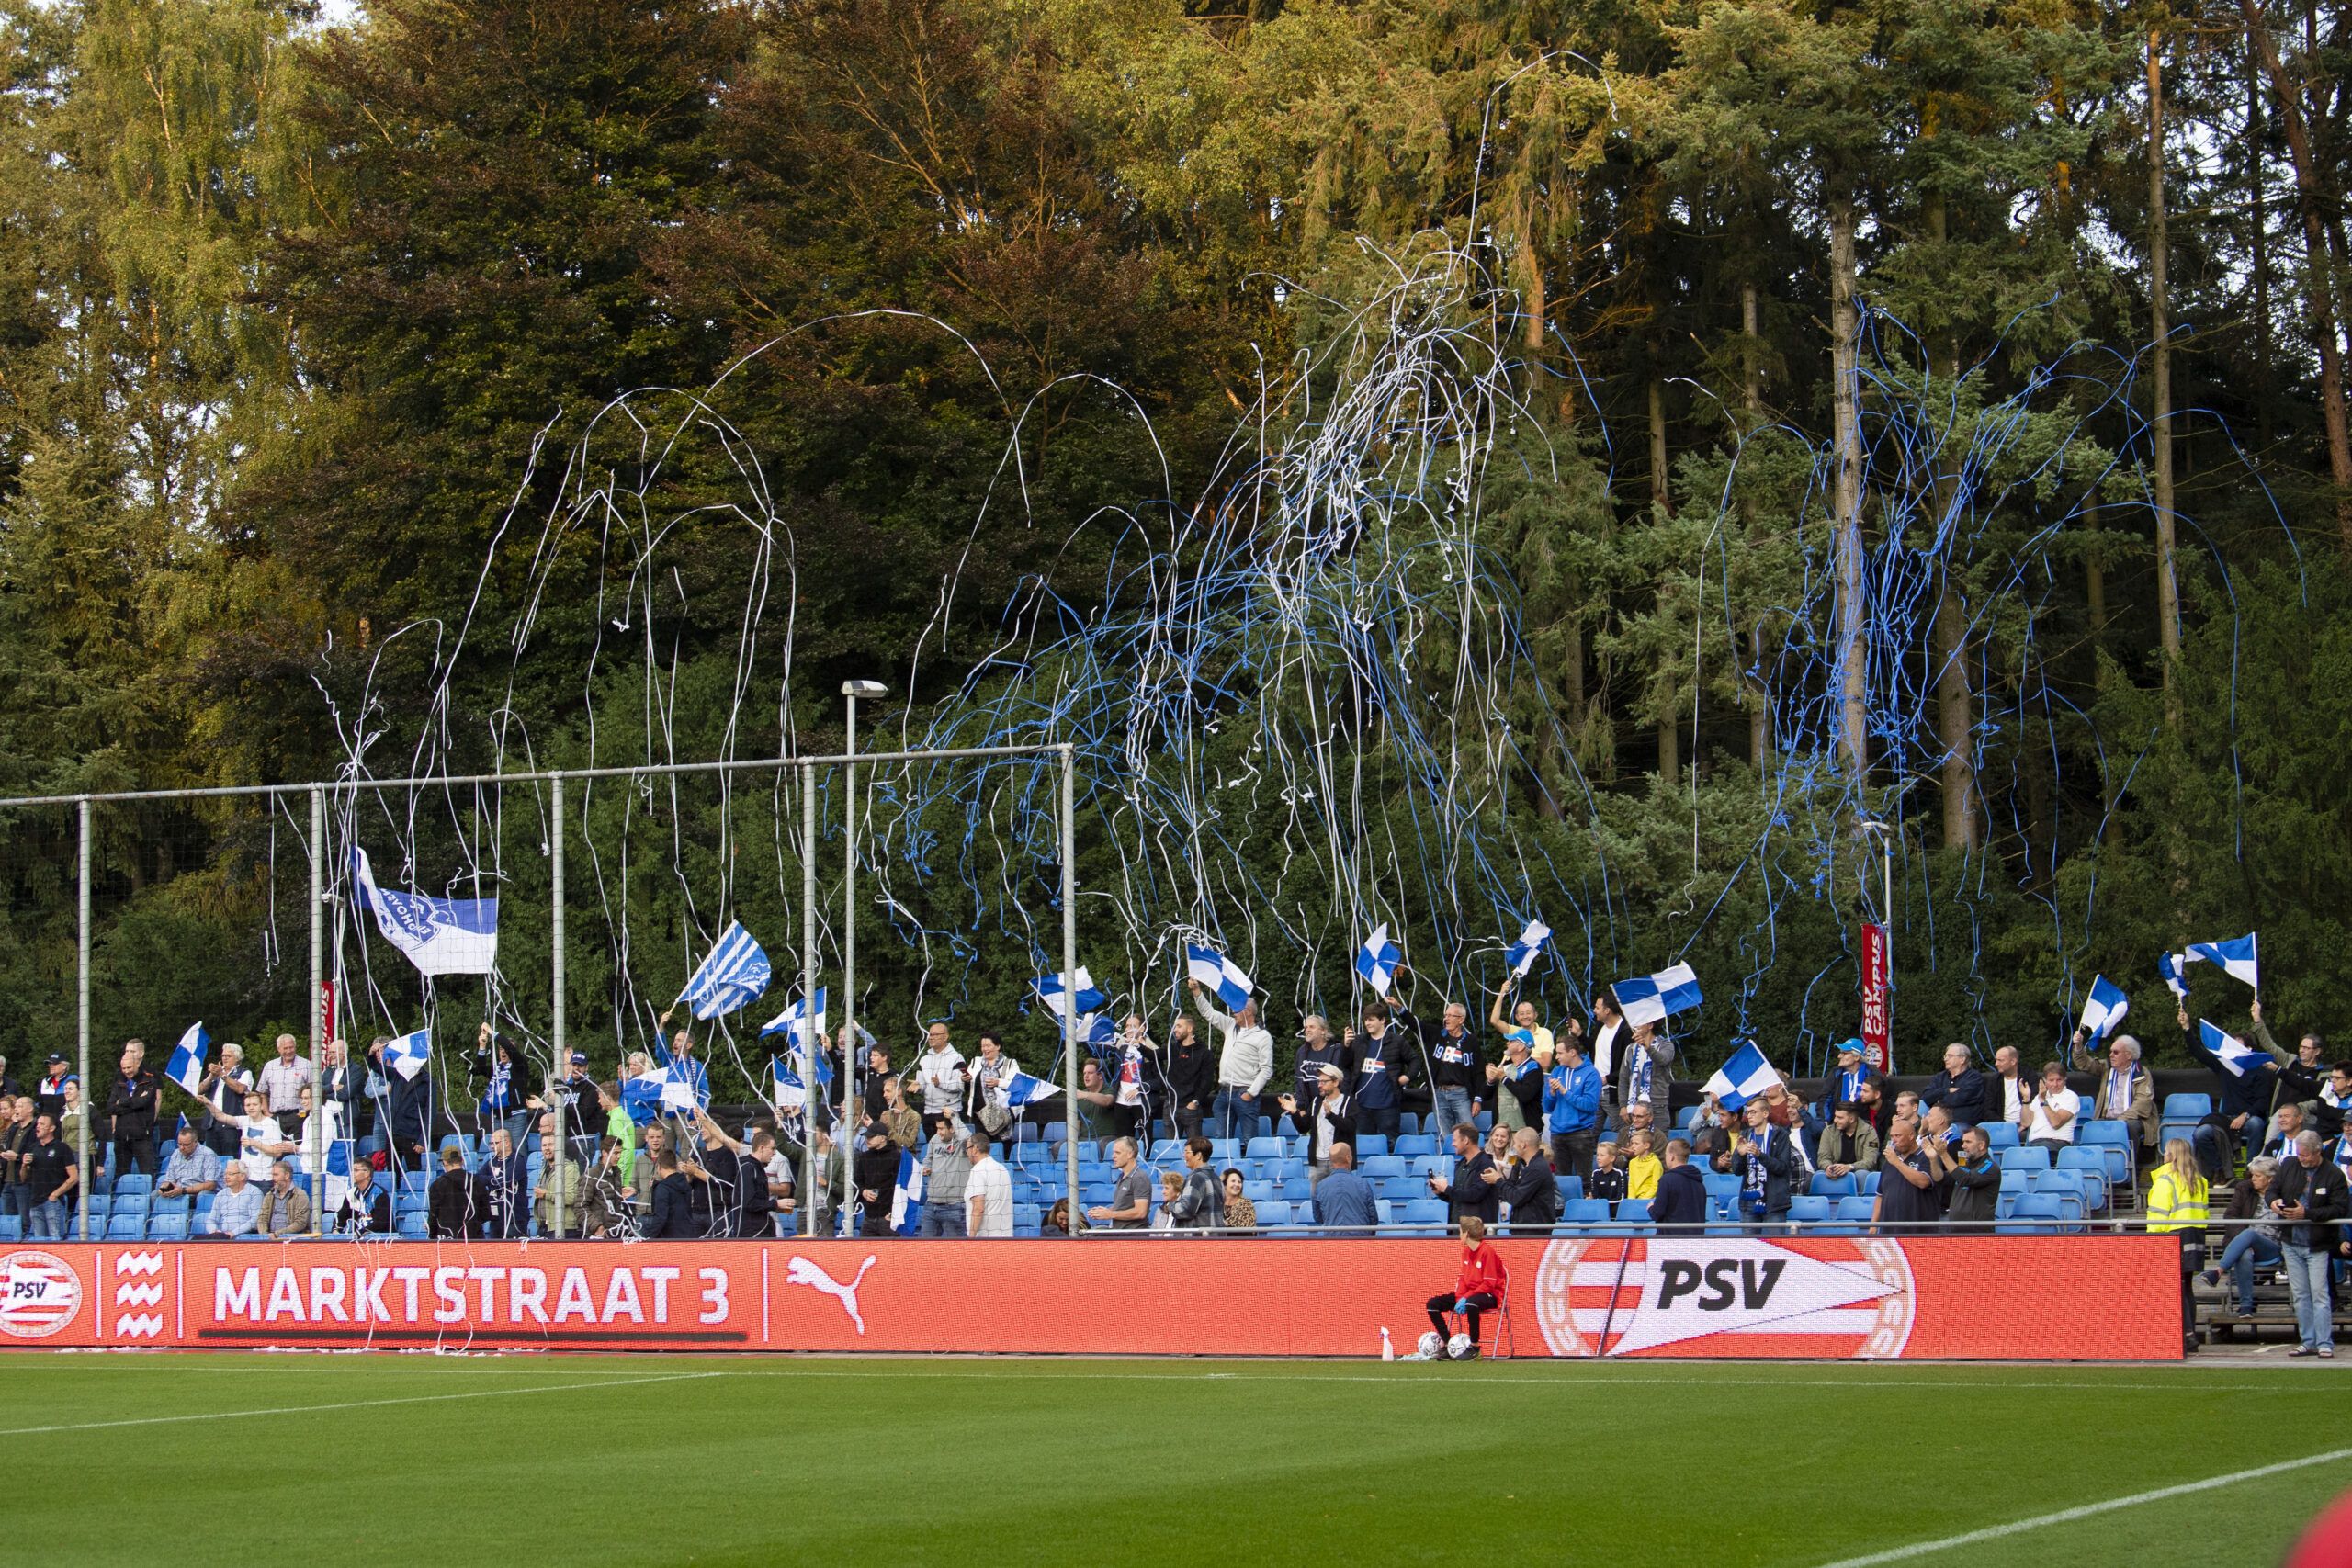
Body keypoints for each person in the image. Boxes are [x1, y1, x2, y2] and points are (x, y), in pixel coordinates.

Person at [2271, 1130, 2348, 1358]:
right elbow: (2274, 1189)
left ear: (2318, 1152)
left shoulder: (2333, 1174)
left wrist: (2309, 1213)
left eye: (2305, 1155)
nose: (2302, 1158)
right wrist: (2273, 1201)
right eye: (2299, 1154)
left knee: (2319, 1293)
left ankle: (2325, 1342)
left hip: (2318, 1243)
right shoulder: (2289, 1165)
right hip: (2291, 1240)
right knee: (2301, 1293)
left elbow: (2339, 1208)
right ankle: (2307, 1340)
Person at [2179, 1003, 2277, 1179]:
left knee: (2256, 1124)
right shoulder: (2224, 1066)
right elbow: (2198, 1052)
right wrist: (2187, 1028)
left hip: (2248, 1119)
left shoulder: (2260, 1072)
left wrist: (2245, 1115)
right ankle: (2220, 1171)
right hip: (2225, 1120)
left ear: (2249, 1049)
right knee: (2201, 1133)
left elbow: (2262, 1102)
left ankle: (2251, 1171)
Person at [2145, 1137, 2210, 1356]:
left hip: (2173, 1236)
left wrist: (2152, 1241)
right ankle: (2190, 1333)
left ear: (2170, 1155)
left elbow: (2158, 1215)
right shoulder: (2200, 1180)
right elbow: (2206, 1212)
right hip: (2196, 1234)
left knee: (2176, 1288)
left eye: (2165, 1152)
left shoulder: (2166, 1180)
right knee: (2187, 1287)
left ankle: (2187, 1334)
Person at [1191, 979, 1274, 1140]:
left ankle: (1251, 1165)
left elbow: (1266, 1069)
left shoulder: (1263, 1036)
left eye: (1237, 1009)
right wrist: (1197, 992)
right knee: (1222, 1139)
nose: (1233, 1012)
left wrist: (1251, 1093)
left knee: (1250, 1139)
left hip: (1245, 1092)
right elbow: (1209, 1013)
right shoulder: (1230, 1026)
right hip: (1224, 1092)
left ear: (1248, 1012)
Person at [2208, 1156, 2287, 1318]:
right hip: (2246, 1245)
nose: (2253, 1179)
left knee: (2250, 1233)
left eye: (2258, 1176)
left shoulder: (2284, 1193)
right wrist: (2244, 1242)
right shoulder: (2245, 1189)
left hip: (2273, 1247)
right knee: (2244, 1253)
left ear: (2270, 1179)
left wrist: (2247, 1238)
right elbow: (2230, 1217)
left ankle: (2218, 1270)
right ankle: (2246, 1307)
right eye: (2252, 1175)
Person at [1420, 1215, 1507, 1360]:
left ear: (1466, 1234)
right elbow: (1463, 1279)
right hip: (1468, 1295)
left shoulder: (1487, 1252)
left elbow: (1488, 1284)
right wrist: (1460, 1297)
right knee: (1432, 1304)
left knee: (1472, 1303)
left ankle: (1475, 1347)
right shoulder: (1466, 1252)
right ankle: (1448, 1343)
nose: (1459, 1235)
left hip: (1489, 1295)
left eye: (1460, 1232)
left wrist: (1466, 1298)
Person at [1402, 998, 1483, 1138]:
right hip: (1439, 1093)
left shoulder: (1471, 1041)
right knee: (1445, 1134)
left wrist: (1477, 1099)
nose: (1446, 1018)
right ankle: (1450, 1159)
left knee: (1468, 1132)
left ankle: (1472, 1159)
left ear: (1461, 1019)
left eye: (1451, 1015)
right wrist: (1400, 1009)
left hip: (1461, 1093)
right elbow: (1416, 1025)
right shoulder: (1436, 1035)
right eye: (1446, 1015)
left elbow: (1479, 1071)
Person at [1719, 1100, 1800, 1225]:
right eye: (1748, 1112)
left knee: (1775, 1244)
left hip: (1774, 1203)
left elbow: (1782, 1168)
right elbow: (1737, 1170)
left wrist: (1759, 1155)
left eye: (1753, 1112)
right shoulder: (1745, 1135)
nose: (1749, 1116)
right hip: (1749, 1202)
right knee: (1749, 1245)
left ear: (1765, 1113)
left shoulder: (1780, 1135)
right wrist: (1740, 1156)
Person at [1344, 1001, 1413, 1141]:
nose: (1367, 1023)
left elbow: (1415, 1060)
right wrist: (1346, 1046)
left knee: (1390, 1144)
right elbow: (1345, 1064)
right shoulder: (1359, 1041)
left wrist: (1407, 1076)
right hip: (1361, 1106)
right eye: (1365, 1020)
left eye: (1371, 1019)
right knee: (1364, 1146)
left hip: (1388, 1106)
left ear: (1382, 1020)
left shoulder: (1397, 1041)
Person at [1279, 1063, 1357, 1185]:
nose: (1320, 1085)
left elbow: (1350, 1127)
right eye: (1319, 1082)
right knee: (1316, 1199)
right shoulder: (1317, 1101)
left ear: (1336, 1082)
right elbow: (1304, 1128)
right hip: (1318, 1162)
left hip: (1339, 1162)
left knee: (1338, 1197)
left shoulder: (1348, 1102)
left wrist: (1330, 1115)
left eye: (1324, 1082)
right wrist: (1294, 1112)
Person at [1543, 1034, 1602, 1182]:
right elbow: (1548, 1106)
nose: (1557, 1057)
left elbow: (1590, 1105)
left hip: (1580, 1132)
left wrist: (1565, 1092)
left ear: (1572, 1052)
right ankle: (1563, 1206)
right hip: (1557, 1132)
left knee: (1584, 1180)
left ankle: (1584, 1205)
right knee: (1561, 1180)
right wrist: (1551, 1094)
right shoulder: (1557, 1071)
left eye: (1560, 1053)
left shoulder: (1591, 1073)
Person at [1148, 1013, 1216, 1141]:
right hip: (1170, 1107)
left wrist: (1195, 1102)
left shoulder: (1204, 1052)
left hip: (1191, 1108)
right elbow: (1153, 1055)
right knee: (1171, 1148)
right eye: (1175, 1026)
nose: (1175, 1030)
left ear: (1189, 1029)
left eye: (1179, 1026)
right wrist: (1139, 1045)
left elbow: (1206, 1081)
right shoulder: (1172, 1047)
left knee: (1195, 1147)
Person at [1872, 1116, 1944, 1234]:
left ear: (1911, 1136)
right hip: (1890, 1229)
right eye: (1891, 1136)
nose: (1894, 1140)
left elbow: (1923, 1182)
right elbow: (1880, 1195)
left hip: (1919, 1229)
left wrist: (1897, 1162)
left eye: (1898, 1136)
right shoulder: (1889, 1162)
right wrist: (1874, 1224)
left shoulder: (1926, 1156)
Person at [1426, 1122, 1498, 1231]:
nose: (1452, 1144)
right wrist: (1441, 1192)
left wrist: (1447, 1189)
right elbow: (1458, 1197)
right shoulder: (1460, 1164)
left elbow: (1475, 1195)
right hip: (1457, 1232)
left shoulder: (1486, 1165)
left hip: (1476, 1234)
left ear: (1465, 1140)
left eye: (1455, 1140)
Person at [1564, 990, 1626, 1116]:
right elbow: (1594, 1049)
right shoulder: (1600, 1025)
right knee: (1591, 1129)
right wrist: (1580, 1034)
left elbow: (1627, 1066)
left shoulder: (1625, 1031)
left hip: (1613, 1092)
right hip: (1595, 1090)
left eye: (1597, 1007)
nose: (1594, 1010)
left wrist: (1607, 1079)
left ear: (1607, 1010)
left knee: (1619, 1130)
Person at [104, 1041, 160, 1179]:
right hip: (121, 1138)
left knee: (148, 1174)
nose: (126, 1071)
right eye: (124, 1068)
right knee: (120, 1175)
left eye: (129, 1067)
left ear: (137, 1064)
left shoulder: (149, 1081)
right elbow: (110, 1108)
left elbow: (144, 1102)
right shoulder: (119, 1082)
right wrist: (131, 1102)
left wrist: (121, 1103)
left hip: (142, 1137)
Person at [1492, 1127, 1560, 1233]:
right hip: (1527, 1228)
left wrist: (1498, 1180)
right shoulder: (1531, 1165)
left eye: (1515, 1143)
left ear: (1523, 1145)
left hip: (1533, 1232)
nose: (1513, 1146)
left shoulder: (1536, 1168)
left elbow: (1516, 1197)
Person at [22, 1113, 75, 1240]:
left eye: (42, 1124)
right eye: (37, 1124)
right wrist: (24, 1165)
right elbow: (23, 1178)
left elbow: (74, 1177)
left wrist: (55, 1195)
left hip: (52, 1202)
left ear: (51, 1128)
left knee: (55, 1240)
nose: (37, 1127)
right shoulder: (33, 1148)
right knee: (39, 1242)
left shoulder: (62, 1148)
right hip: (35, 1202)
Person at [918, 1115, 972, 1238]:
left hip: (955, 1205)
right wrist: (926, 1167)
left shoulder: (962, 1143)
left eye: (941, 1129)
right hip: (931, 1204)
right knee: (925, 1248)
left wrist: (953, 1117)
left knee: (956, 1250)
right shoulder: (934, 1140)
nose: (938, 1132)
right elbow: (928, 1159)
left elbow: (968, 1137)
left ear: (952, 1128)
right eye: (937, 1128)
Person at [1617, 1020, 1676, 1128]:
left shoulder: (1665, 1045)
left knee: (1658, 1142)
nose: (1635, 1025)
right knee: (1635, 1142)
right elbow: (1623, 1079)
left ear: (1650, 1025)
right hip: (1634, 1106)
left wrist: (1648, 1047)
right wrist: (1623, 1105)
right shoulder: (1630, 1049)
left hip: (1657, 1105)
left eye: (1639, 1022)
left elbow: (1662, 1060)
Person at [963, 1031, 1020, 1143]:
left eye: (988, 1046)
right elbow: (968, 1083)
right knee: (982, 1146)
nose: (985, 1049)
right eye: (983, 1046)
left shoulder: (1010, 1063)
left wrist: (998, 1082)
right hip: (979, 1115)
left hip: (1001, 1115)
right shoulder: (976, 1061)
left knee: (1001, 1146)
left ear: (998, 1046)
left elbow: (1017, 1085)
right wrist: (964, 1080)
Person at [199, 1043, 254, 1159]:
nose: (224, 1058)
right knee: (211, 1159)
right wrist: (211, 1076)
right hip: (211, 1123)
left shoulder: (244, 1072)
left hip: (231, 1123)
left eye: (228, 1056)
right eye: (223, 1055)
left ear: (237, 1058)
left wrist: (222, 1075)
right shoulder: (216, 1074)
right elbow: (199, 1090)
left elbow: (240, 1089)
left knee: (230, 1158)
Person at [1485, 1029, 1544, 1134]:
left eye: (1511, 1041)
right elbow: (1486, 1096)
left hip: (1525, 1131)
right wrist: (1490, 1081)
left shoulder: (1533, 1067)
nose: (1507, 1043)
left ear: (1521, 1047)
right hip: (1501, 1130)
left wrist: (1504, 1078)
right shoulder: (1505, 1065)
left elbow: (1526, 1095)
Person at [1309, 1143, 1376, 1235]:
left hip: (1333, 1241)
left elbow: (1318, 1218)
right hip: (1360, 1241)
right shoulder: (1363, 1184)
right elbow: (1373, 1218)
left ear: (1331, 1161)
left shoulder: (1320, 1186)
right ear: (1348, 1158)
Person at [1942, 1126, 2000, 1232]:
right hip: (1955, 1231)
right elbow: (1940, 1178)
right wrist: (1933, 1159)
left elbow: (1966, 1179)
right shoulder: (1964, 1163)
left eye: (1968, 1142)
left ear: (1981, 1145)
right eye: (1963, 1142)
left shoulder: (1991, 1166)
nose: (1963, 1146)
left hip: (1977, 1234)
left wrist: (1943, 1154)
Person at [1088, 1135, 1152, 1229]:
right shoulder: (1122, 1176)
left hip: (1133, 1237)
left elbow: (1140, 1212)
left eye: (1117, 1153)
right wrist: (1105, 1212)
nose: (1113, 1156)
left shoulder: (1139, 1178)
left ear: (1130, 1154)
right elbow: (1124, 1206)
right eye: (1113, 1152)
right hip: (1121, 1234)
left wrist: (1110, 1214)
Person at [915, 1022, 966, 1140]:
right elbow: (922, 1085)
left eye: (935, 1034)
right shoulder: (923, 1060)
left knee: (950, 1150)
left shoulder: (957, 1058)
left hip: (949, 1113)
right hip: (929, 1113)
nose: (931, 1037)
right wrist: (918, 1087)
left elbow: (959, 1085)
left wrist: (940, 1084)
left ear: (945, 1036)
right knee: (932, 1150)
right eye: (930, 1035)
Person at [428, 1145, 491, 1238]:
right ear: (462, 1161)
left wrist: (432, 1233)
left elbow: (433, 1215)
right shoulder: (476, 1181)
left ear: (444, 1162)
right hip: (473, 1237)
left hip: (446, 1238)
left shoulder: (437, 1185)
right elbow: (486, 1213)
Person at [1923, 1043, 1991, 1128]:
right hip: (1937, 1124)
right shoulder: (1940, 1077)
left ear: (1962, 1059)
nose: (1945, 1059)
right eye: (1945, 1056)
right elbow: (1926, 1096)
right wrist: (1947, 1091)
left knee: (1952, 1132)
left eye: (1949, 1056)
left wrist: (1938, 1101)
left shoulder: (1974, 1077)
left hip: (1963, 1124)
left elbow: (1961, 1098)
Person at [1487, 980, 1556, 1064]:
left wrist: (1519, 1057)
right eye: (1522, 1014)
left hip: (1532, 1074)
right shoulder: (1514, 1031)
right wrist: (1502, 993)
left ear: (1535, 1015)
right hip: (1509, 1074)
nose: (1525, 1016)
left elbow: (1545, 1063)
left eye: (1528, 1013)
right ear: (1517, 1017)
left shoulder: (1545, 1033)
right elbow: (1494, 1020)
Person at [481, 1125, 530, 1239]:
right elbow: (478, 1179)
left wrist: (489, 1180)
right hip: (496, 1219)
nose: (492, 1147)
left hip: (514, 1218)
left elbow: (506, 1180)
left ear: (507, 1143)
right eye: (491, 1143)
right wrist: (493, 1180)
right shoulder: (491, 1162)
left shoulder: (518, 1160)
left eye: (496, 1143)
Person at [2020, 1060, 2080, 1154]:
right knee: (2007, 1159)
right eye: (2051, 1080)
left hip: (2057, 1145)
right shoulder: (2039, 1097)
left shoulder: (2071, 1097)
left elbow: (2056, 1123)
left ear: (2065, 1079)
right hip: (2034, 1145)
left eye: (2059, 1080)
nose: (2055, 1084)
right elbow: (2026, 1123)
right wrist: (2026, 1100)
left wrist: (2043, 1101)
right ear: (2045, 1080)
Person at [854, 1122, 900, 1239]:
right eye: (867, 1137)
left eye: (871, 1137)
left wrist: (892, 1213)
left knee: (891, 1255)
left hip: (889, 1218)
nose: (867, 1139)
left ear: (882, 1138)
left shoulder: (897, 1157)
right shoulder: (864, 1157)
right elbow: (857, 1182)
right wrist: (863, 1191)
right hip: (868, 1217)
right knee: (866, 1253)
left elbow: (901, 1187)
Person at [155, 1126, 223, 1205]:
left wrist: (183, 1190)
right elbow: (169, 1180)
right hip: (178, 1191)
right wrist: (163, 1188)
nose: (182, 1148)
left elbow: (211, 1185)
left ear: (195, 1142)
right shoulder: (176, 1153)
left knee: (203, 1195)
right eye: (179, 1144)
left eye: (186, 1145)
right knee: (155, 1195)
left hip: (197, 1193)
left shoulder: (208, 1155)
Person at [963, 1130, 1013, 1238]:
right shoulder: (1002, 1169)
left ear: (975, 1149)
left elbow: (978, 1208)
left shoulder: (978, 1171)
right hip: (1006, 1237)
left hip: (986, 1240)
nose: (967, 1153)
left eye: (967, 1149)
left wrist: (970, 1238)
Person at [1652, 1139, 1709, 1233]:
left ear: (1672, 1157)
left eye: (1666, 1155)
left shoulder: (1666, 1180)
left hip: (1671, 1241)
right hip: (1696, 1240)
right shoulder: (1699, 1183)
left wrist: (1651, 1208)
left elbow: (1657, 1213)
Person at [1169, 1136, 1224, 1232]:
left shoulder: (1196, 1178)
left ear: (1198, 1155)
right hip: (1216, 1239)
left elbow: (1185, 1210)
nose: (1184, 1155)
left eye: (1187, 1152)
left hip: (1198, 1240)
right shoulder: (1216, 1178)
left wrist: (1169, 1206)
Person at [1816, 1100, 1880, 1179]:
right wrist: (1828, 1167)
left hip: (1857, 1171)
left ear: (1851, 1119)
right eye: (1835, 1116)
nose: (1835, 1120)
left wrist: (1850, 1167)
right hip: (1835, 1170)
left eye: (1840, 1118)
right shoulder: (1829, 1131)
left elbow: (1870, 1160)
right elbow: (1823, 1157)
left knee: (1861, 1174)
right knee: (1820, 1174)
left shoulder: (1869, 1132)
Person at [256, 1033, 313, 1118]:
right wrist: (267, 1114)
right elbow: (262, 1092)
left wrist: (304, 1112)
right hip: (275, 1115)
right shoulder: (270, 1066)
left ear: (295, 1047)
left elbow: (314, 1091)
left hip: (299, 1115)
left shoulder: (306, 1065)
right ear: (278, 1049)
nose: (289, 1051)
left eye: (291, 1047)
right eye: (285, 1048)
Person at [206, 1159, 264, 1238]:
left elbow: (254, 1221)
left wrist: (233, 1233)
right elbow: (211, 1220)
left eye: (230, 1174)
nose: (226, 1177)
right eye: (225, 1174)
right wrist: (214, 1231)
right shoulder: (221, 1194)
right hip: (222, 1237)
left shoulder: (254, 1192)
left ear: (242, 1176)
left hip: (244, 1237)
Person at [645, 1151, 696, 1239]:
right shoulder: (686, 1183)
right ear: (676, 1166)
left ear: (659, 1167)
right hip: (688, 1236)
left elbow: (660, 1218)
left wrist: (647, 1238)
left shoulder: (662, 1188)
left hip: (670, 1239)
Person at [334, 1159, 394, 1235]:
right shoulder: (350, 1194)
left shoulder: (379, 1194)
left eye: (356, 1170)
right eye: (352, 1171)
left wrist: (360, 1233)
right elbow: (341, 1216)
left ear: (367, 1173)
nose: (352, 1174)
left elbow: (381, 1223)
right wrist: (336, 1229)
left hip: (381, 1238)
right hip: (358, 1238)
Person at [257, 1159, 312, 1237]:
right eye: (272, 1175)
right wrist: (265, 1236)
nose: (273, 1178)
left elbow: (300, 1223)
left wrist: (277, 1234)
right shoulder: (269, 1195)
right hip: (270, 1237)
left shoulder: (300, 1195)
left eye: (276, 1175)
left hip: (293, 1238)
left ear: (286, 1175)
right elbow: (262, 1219)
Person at [1988, 1045, 2033, 1126]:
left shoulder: (2029, 1078)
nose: (1996, 1064)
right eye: (1996, 1060)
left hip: (2026, 1123)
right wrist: (2003, 1126)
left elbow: (2036, 1104)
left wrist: (2024, 1125)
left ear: (2013, 1061)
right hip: (2001, 1124)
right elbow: (1988, 1109)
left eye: (2000, 1060)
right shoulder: (1994, 1081)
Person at [1829, 1039, 1878, 1107]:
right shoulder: (1836, 1072)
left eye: (1844, 1053)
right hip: (1839, 1115)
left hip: (1863, 1116)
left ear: (1856, 1057)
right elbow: (1825, 1099)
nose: (1839, 1056)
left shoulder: (1871, 1073)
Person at [1623, 1129, 1661, 1201]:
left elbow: (1655, 1186)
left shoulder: (1656, 1163)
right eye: (1632, 1143)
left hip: (1648, 1201)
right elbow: (1631, 1184)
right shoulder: (1632, 1162)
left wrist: (1642, 1201)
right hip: (1634, 1201)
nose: (1633, 1146)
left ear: (1647, 1145)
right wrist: (1631, 1200)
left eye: (1636, 1143)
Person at [1586, 1140, 1627, 1204]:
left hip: (1615, 1209)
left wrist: (1602, 1204)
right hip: (1600, 1208)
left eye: (1602, 1155)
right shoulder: (1595, 1173)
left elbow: (1621, 1199)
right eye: (1597, 1155)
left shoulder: (1619, 1174)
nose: (1598, 1158)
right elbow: (1595, 1196)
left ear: (1612, 1158)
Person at [1219, 1168, 1256, 1235]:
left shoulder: (1247, 1204)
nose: (1237, 1184)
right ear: (1224, 1185)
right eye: (1233, 1181)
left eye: (1239, 1182)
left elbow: (1249, 1231)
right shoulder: (1217, 1204)